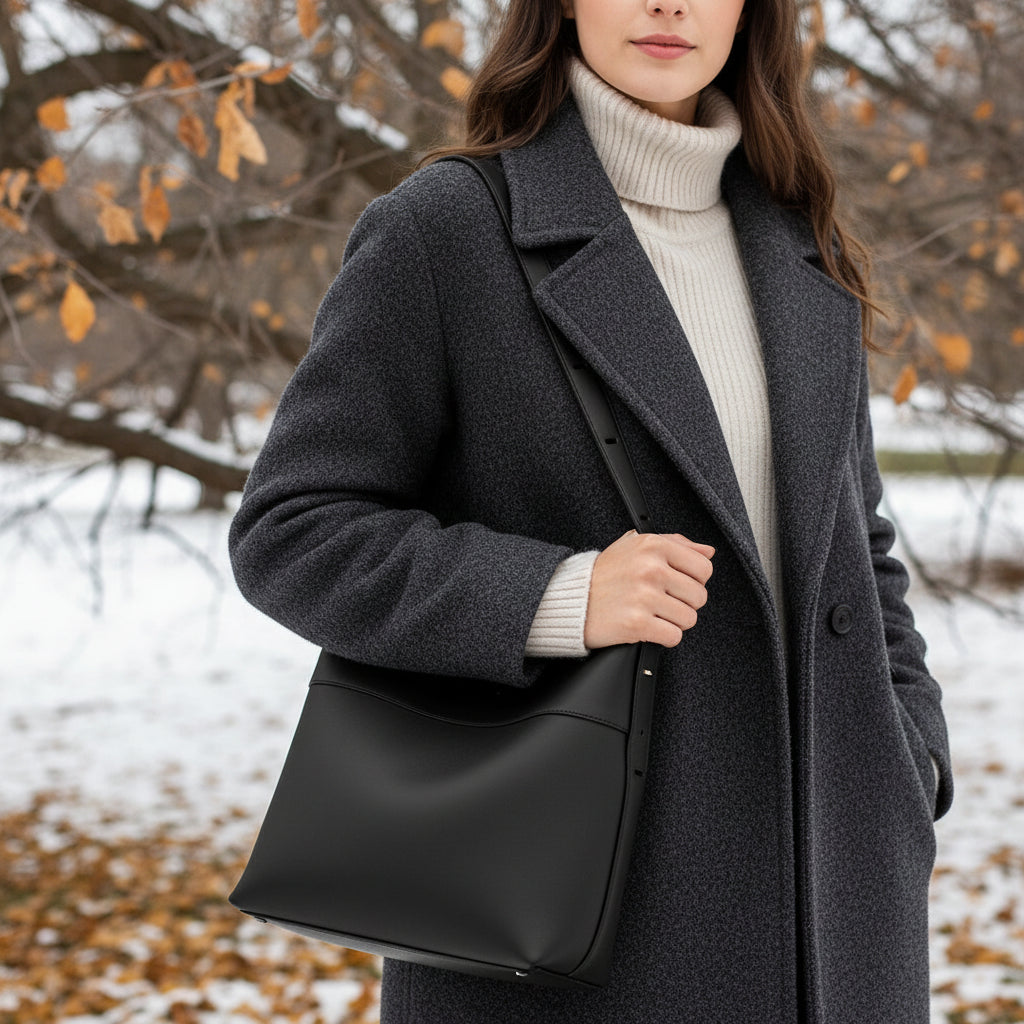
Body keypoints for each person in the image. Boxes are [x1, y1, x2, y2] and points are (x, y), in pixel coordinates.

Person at [228, 0, 954, 1020]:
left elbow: (856, 546)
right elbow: (290, 528)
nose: (669, 5)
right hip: (571, 920)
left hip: (839, 918)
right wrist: (557, 594)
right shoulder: (449, 229)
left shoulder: (801, 240)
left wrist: (907, 756)